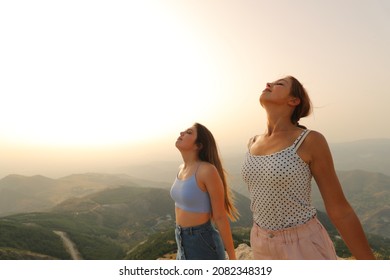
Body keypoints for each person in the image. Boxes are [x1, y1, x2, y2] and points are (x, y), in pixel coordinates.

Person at [241, 75, 375, 260]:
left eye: (279, 84)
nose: (268, 84)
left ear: (294, 100)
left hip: (302, 246)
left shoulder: (310, 140)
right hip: (260, 243)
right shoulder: (253, 142)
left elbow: (339, 209)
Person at [170, 122, 239, 260]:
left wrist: (232, 257)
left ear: (198, 145)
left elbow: (220, 217)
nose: (181, 133)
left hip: (202, 242)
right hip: (181, 240)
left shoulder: (206, 170)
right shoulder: (181, 168)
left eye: (189, 132)